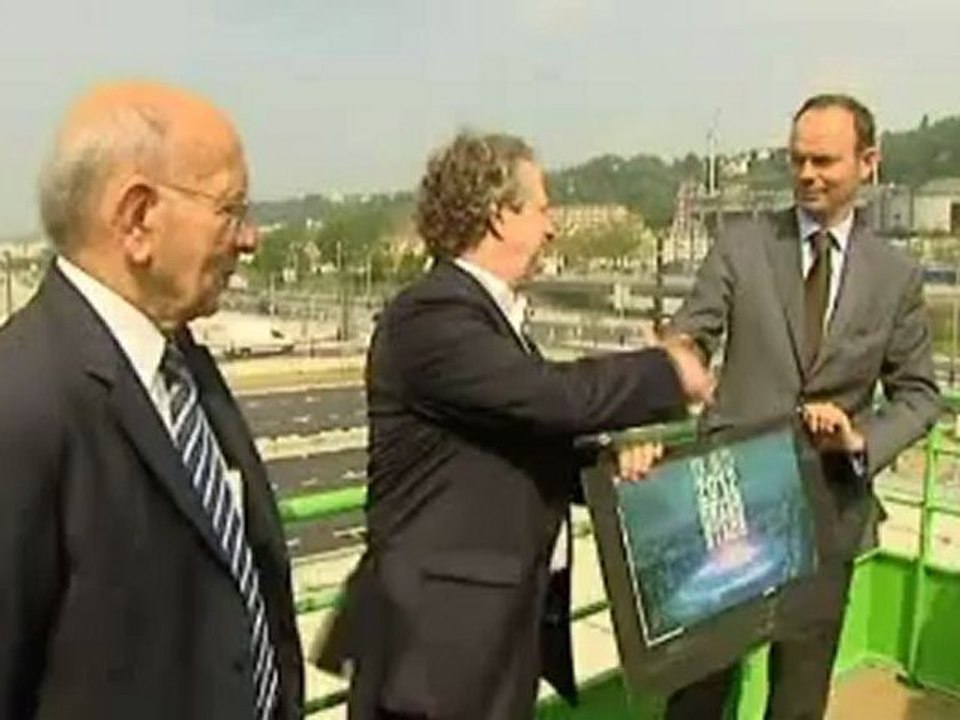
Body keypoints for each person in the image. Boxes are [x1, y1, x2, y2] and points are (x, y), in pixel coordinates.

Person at [314, 131, 713, 720]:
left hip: (488, 636)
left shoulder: (484, 319)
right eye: (543, 209)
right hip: (437, 649)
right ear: (500, 215)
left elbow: (516, 440)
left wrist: (607, 463)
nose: (551, 228)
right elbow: (550, 399)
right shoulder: (431, 316)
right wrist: (666, 370)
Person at [0, 82, 303, 719]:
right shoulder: (21, 401)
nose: (249, 239)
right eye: (230, 209)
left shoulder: (183, 360)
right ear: (137, 220)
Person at [665, 94, 941, 719]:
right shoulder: (742, 245)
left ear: (868, 162)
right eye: (797, 160)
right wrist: (676, 358)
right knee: (698, 690)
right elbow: (690, 335)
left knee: (799, 695)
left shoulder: (896, 276)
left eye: (824, 160)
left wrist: (858, 439)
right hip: (731, 510)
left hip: (827, 507)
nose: (808, 174)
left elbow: (919, 394)